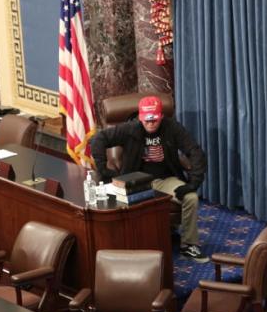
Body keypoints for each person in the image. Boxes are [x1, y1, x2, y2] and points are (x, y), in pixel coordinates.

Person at [89, 95, 210, 262]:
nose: (151, 123)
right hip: (135, 180)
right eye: (147, 120)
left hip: (165, 179)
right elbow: (97, 139)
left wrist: (193, 183)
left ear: (161, 117)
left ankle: (189, 245)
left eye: (154, 120)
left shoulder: (172, 128)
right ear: (140, 118)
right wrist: (103, 168)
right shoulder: (130, 129)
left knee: (191, 198)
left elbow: (194, 151)